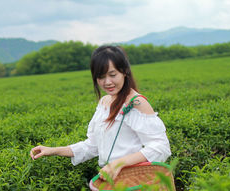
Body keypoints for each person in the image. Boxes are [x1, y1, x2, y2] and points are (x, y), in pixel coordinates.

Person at [30, 45, 171, 180]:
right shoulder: (104, 102)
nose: (107, 82)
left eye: (112, 74)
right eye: (101, 77)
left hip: (135, 180)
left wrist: (119, 163)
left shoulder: (137, 103)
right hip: (111, 180)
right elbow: (92, 146)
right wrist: (53, 150)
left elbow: (161, 147)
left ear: (125, 72)